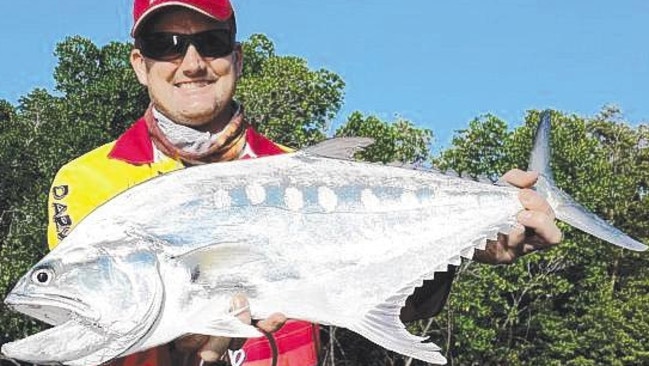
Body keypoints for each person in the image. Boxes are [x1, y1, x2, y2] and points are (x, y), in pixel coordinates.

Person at [46, 0, 562, 365]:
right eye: (166, 44)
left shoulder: (306, 173)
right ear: (140, 64)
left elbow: (390, 302)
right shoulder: (88, 181)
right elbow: (102, 325)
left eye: (212, 42)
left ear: (237, 58)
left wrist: (466, 248)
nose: (192, 63)